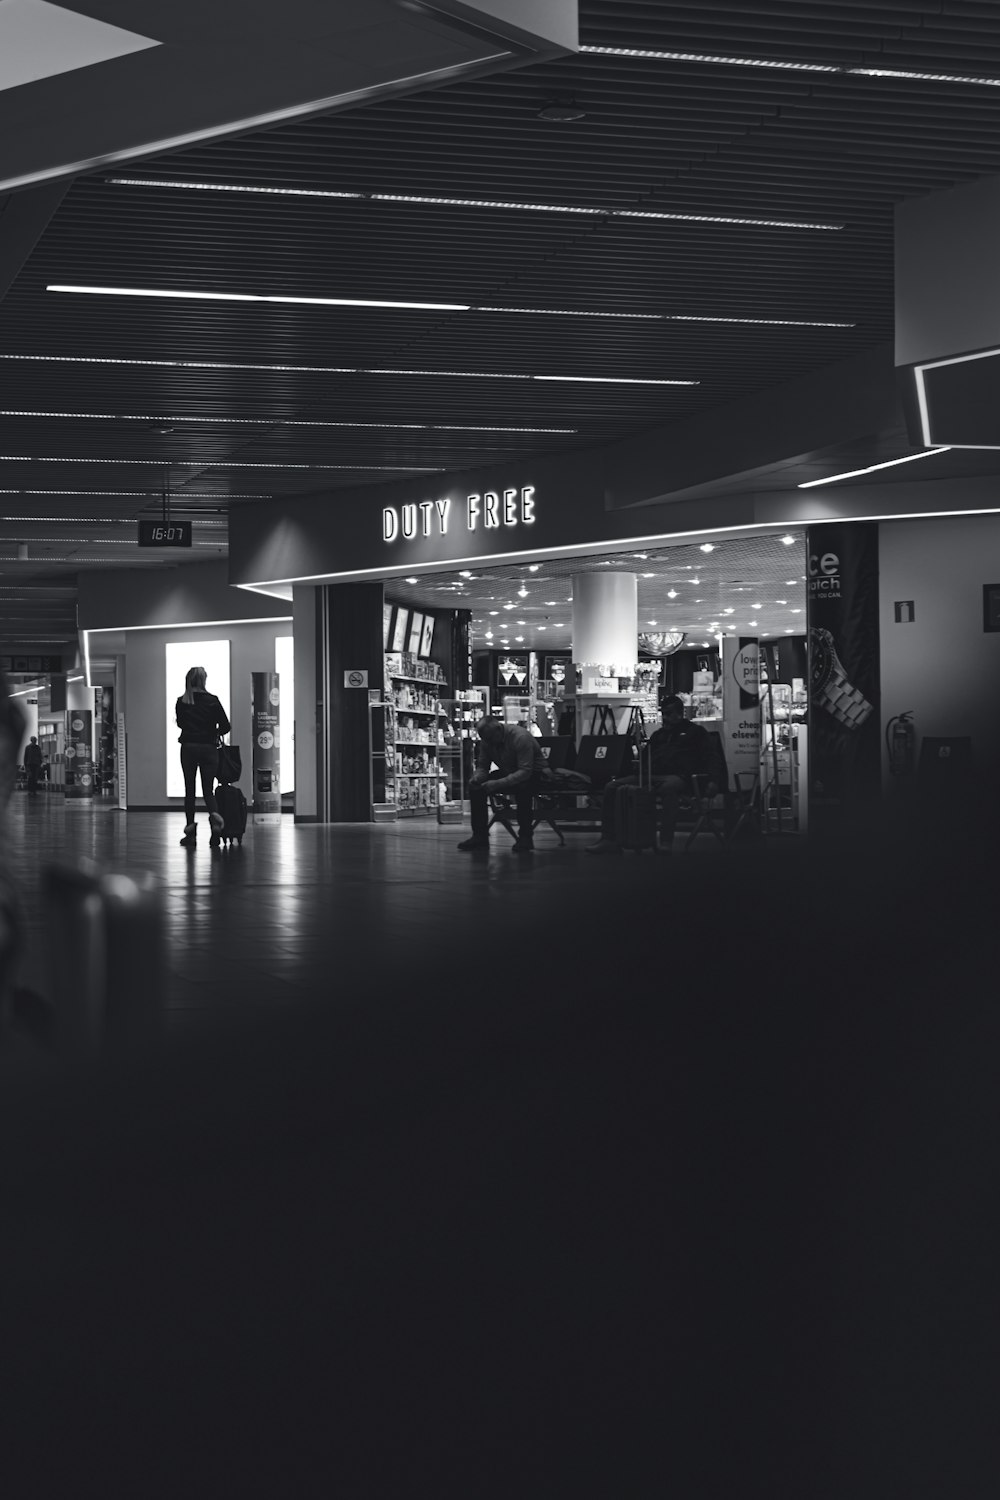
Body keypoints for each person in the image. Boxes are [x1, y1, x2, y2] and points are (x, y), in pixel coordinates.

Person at [586, 694, 725, 856]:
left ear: (679, 714)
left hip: (680, 776)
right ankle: (608, 839)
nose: (665, 718)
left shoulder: (696, 733)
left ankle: (666, 841)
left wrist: (714, 780)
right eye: (663, 713)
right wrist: (636, 766)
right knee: (611, 786)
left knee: (669, 788)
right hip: (651, 775)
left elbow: (712, 758)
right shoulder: (659, 735)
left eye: (669, 713)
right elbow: (645, 758)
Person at [457, 714, 546, 854]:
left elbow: (525, 772)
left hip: (535, 775)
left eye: (491, 739)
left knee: (524, 789)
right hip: (510, 771)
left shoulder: (520, 737)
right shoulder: (488, 740)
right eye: (486, 740)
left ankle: (525, 837)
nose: (489, 743)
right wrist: (478, 777)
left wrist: (497, 784)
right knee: (475, 788)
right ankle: (479, 836)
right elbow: (483, 765)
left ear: (499, 729)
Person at [175, 665, 230, 848]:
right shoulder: (212, 700)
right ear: (204, 680)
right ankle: (215, 822)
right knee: (208, 789)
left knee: (189, 790)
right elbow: (225, 726)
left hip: (189, 747)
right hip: (208, 748)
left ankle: (190, 834)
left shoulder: (182, 701)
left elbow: (181, 723)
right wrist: (212, 731)